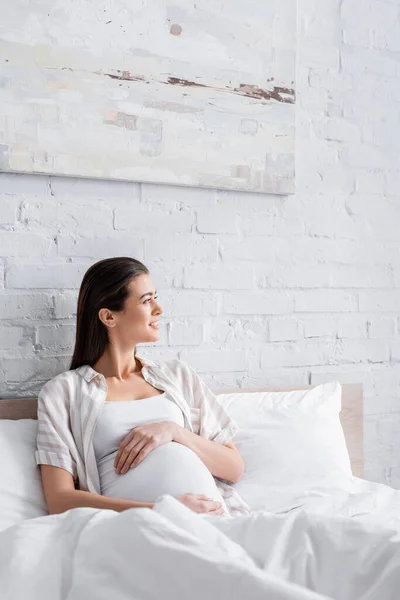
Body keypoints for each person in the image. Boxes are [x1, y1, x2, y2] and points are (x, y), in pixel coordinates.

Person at [36, 257, 248, 517]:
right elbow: (60, 500)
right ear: (109, 316)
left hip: (214, 520)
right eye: (147, 300)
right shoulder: (64, 392)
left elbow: (234, 468)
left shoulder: (178, 375)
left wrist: (173, 432)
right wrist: (164, 510)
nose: (158, 309)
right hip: (138, 527)